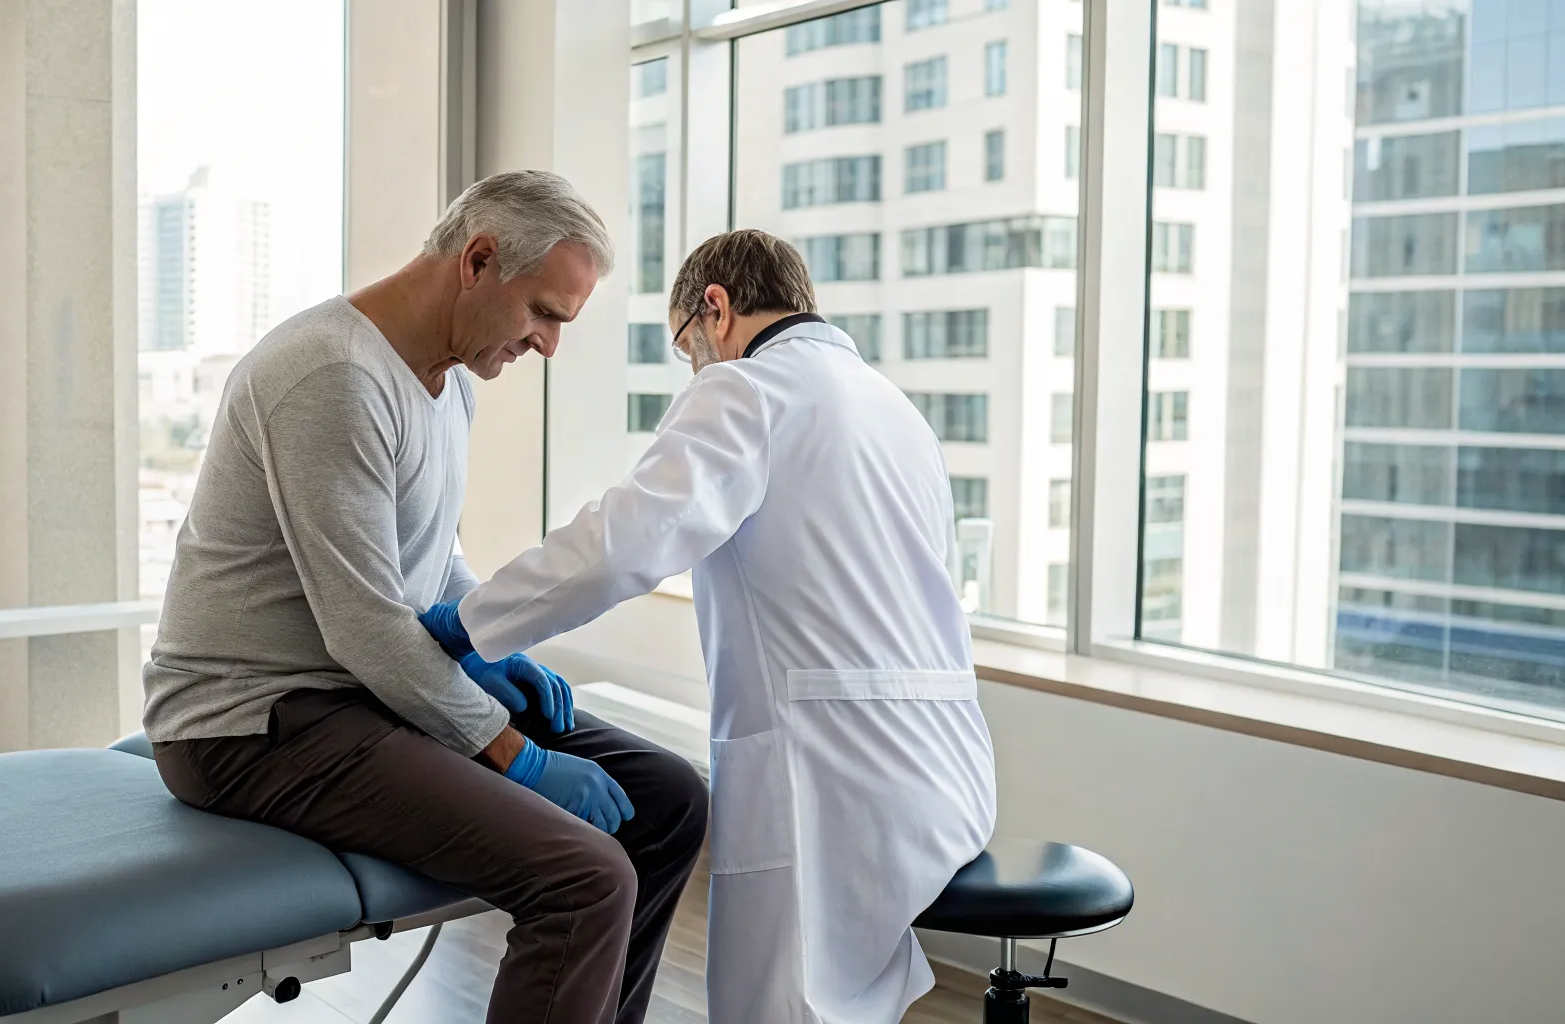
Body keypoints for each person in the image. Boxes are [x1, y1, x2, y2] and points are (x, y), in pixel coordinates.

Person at [141, 170, 708, 1024]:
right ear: (478, 261)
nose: (549, 346)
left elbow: (433, 557)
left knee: (670, 801)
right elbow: (367, 627)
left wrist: (491, 646)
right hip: (250, 723)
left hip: (357, 699)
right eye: (544, 314)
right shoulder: (331, 376)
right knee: (584, 877)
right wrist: (517, 755)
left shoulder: (449, 389)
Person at [418, 228, 998, 1023]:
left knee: (782, 1008)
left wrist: (470, 624)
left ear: (715, 310)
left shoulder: (750, 390)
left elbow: (624, 542)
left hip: (825, 779)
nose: (695, 369)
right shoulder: (891, 406)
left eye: (689, 349)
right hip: (945, 772)